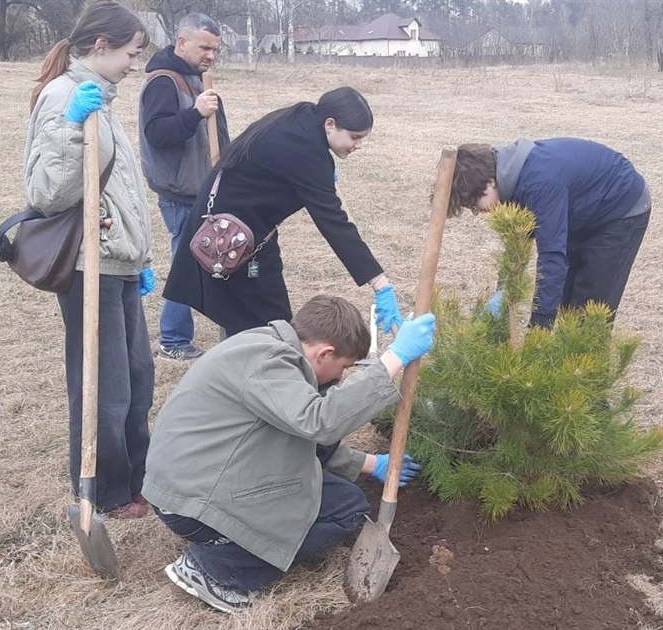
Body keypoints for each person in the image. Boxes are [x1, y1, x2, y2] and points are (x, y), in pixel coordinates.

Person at [142, 295, 435, 613]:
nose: (341, 377)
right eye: (344, 368)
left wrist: (370, 464)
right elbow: (320, 422)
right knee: (341, 511)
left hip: (196, 483)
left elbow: (297, 438)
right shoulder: (268, 362)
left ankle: (226, 542)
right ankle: (216, 569)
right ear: (325, 353)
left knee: (342, 498)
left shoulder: (265, 347)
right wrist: (396, 357)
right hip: (191, 505)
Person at [26, 0, 155, 519]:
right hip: (88, 265)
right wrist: (71, 127)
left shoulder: (103, 95)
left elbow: (118, 184)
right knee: (105, 386)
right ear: (100, 47)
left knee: (139, 375)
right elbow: (49, 191)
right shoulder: (64, 98)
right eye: (130, 52)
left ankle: (137, 476)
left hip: (118, 259)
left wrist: (138, 251)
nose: (134, 63)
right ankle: (103, 491)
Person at [162, 87, 403, 337]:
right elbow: (335, 225)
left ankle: (242, 361)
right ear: (330, 124)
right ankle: (247, 367)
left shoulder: (304, 117)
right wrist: (380, 284)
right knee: (267, 325)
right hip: (229, 237)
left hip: (248, 231)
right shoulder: (307, 151)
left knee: (254, 316)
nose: (359, 145)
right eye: (354, 137)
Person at [447, 138, 651, 328]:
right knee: (568, 301)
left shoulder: (538, 182)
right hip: (582, 208)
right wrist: (503, 291)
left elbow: (552, 257)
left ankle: (587, 361)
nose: (476, 212)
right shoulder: (508, 180)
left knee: (590, 310)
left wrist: (539, 326)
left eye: (474, 204)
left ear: (489, 182)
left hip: (620, 207)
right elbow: (518, 245)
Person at [139, 12, 228, 360]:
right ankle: (173, 341)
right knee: (186, 264)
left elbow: (215, 138)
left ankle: (181, 336)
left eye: (215, 50)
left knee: (200, 260)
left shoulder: (195, 79)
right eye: (205, 47)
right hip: (179, 194)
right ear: (181, 42)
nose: (210, 55)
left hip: (202, 188)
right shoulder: (164, 81)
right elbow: (158, 135)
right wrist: (194, 113)